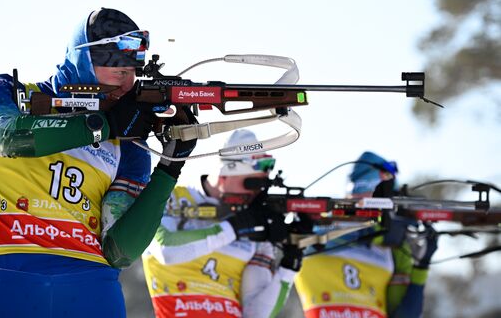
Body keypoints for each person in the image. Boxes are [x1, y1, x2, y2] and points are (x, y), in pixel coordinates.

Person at [0, 7, 196, 318]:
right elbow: (9, 137)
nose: (128, 85)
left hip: (94, 291)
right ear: (85, 63)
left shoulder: (129, 144)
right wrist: (102, 126)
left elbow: (121, 251)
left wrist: (170, 167)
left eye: (133, 73)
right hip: (15, 284)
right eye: (119, 72)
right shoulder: (10, 93)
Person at [137, 129, 303, 318]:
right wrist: (234, 228)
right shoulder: (170, 197)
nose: (255, 193)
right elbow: (167, 250)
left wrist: (289, 266)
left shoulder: (253, 223)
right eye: (251, 183)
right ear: (225, 173)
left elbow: (257, 314)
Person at [294, 151, 438, 318]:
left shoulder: (393, 244)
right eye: (375, 197)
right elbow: (305, 241)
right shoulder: (317, 228)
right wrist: (373, 231)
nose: (383, 211)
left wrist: (421, 265)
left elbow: (406, 315)